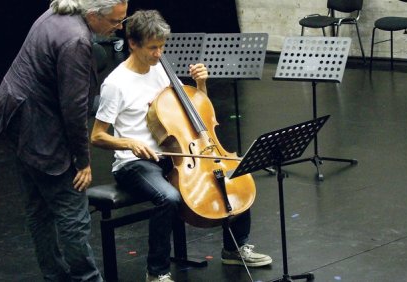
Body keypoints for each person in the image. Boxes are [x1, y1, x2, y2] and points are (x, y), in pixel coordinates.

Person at [90, 10, 272, 282]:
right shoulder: (115, 84)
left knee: (235, 172)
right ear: (133, 44)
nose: (159, 54)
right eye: (152, 48)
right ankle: (157, 272)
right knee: (169, 198)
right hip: (134, 163)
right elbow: (97, 136)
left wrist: (200, 85)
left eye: (162, 46)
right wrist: (129, 142)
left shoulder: (160, 70)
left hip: (171, 153)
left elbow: (196, 114)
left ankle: (234, 248)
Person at [0, 0, 129, 281]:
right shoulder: (76, 40)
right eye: (115, 22)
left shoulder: (58, 10)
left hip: (15, 117)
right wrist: (83, 162)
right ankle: (86, 278)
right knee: (72, 214)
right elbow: (74, 110)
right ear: (93, 14)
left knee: (38, 209)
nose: (120, 28)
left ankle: (54, 276)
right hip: (38, 129)